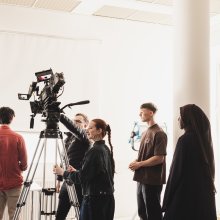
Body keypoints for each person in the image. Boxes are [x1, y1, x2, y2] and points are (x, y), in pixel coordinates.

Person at [162, 104, 217, 220]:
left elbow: (175, 173)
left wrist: (166, 200)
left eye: (180, 117)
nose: (178, 119)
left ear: (187, 119)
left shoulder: (184, 140)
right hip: (203, 197)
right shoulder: (204, 140)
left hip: (184, 197)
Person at [53, 118, 115, 220]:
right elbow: (94, 174)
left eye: (90, 127)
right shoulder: (104, 148)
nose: (87, 130)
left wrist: (62, 172)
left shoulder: (94, 150)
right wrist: (74, 172)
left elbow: (82, 177)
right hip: (103, 197)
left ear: (99, 130)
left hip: (94, 198)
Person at [129, 102, 167, 220]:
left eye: (142, 112)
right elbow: (145, 155)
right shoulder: (145, 132)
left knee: (153, 212)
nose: (139, 114)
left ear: (151, 113)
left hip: (152, 180)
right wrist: (136, 161)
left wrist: (139, 164)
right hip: (141, 178)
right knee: (142, 211)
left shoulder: (159, 133)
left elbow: (159, 158)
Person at [55, 113, 90, 220]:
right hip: (67, 180)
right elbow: (64, 159)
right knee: (60, 215)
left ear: (85, 125)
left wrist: (60, 115)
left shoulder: (84, 137)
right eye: (73, 121)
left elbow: (74, 128)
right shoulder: (68, 139)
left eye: (78, 121)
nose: (74, 123)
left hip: (79, 183)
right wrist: (59, 180)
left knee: (80, 215)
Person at [0, 107, 28, 220]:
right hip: (14, 182)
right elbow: (24, 162)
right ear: (11, 119)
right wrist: (20, 168)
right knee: (14, 216)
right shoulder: (18, 137)